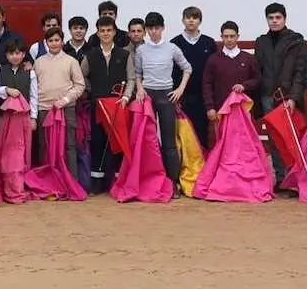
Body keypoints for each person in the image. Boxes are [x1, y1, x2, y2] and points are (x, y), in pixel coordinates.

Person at [133, 12, 192, 196]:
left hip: (167, 96)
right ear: (146, 30)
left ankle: (173, 182)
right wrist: (140, 89)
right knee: (147, 140)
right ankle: (149, 180)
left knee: (169, 142)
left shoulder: (172, 48)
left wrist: (180, 89)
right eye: (150, 29)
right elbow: (137, 73)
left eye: (157, 28)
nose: (154, 32)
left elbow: (187, 68)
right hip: (148, 96)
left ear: (163, 28)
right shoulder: (141, 50)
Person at [253, 2, 307, 184]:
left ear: (285, 18)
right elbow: (257, 71)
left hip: (287, 97)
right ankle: (281, 177)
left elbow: (300, 71)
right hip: (267, 96)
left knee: (291, 138)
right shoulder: (261, 41)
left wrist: (294, 97)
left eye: (278, 18)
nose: (274, 21)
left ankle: (295, 178)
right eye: (271, 18)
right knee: (275, 139)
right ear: (266, 19)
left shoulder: (296, 40)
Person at [80, 17, 135, 192]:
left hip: (119, 105)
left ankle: (118, 179)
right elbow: (81, 77)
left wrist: (126, 97)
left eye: (109, 30)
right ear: (97, 33)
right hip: (99, 105)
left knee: (117, 142)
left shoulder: (124, 54)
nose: (105, 34)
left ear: (114, 32)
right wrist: (92, 90)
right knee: (98, 141)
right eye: (102, 31)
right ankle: (98, 180)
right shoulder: (91, 55)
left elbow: (131, 79)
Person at [32, 29, 85, 175]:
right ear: (46, 43)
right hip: (44, 109)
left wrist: (65, 100)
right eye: (51, 41)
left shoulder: (71, 61)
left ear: (62, 41)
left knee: (69, 145)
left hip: (66, 108)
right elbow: (34, 87)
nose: (54, 43)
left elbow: (80, 85)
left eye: (57, 40)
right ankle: (47, 181)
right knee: (45, 145)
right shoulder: (38, 62)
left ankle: (71, 181)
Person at [201, 20, 260, 146]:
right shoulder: (213, 59)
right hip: (221, 110)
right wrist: (210, 107)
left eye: (232, 36)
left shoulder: (248, 58)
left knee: (244, 142)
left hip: (243, 110)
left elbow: (257, 79)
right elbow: (207, 84)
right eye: (226, 36)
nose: (229, 39)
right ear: (221, 37)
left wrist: (244, 86)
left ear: (238, 37)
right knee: (223, 142)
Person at [170, 6, 218, 148]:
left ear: (200, 21)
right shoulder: (175, 43)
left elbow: (213, 70)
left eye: (195, 18)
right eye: (188, 17)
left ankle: (202, 164)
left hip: (204, 94)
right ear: (183, 20)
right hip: (182, 94)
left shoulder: (208, 43)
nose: (191, 20)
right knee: (184, 130)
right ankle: (187, 164)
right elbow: (171, 71)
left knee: (202, 129)